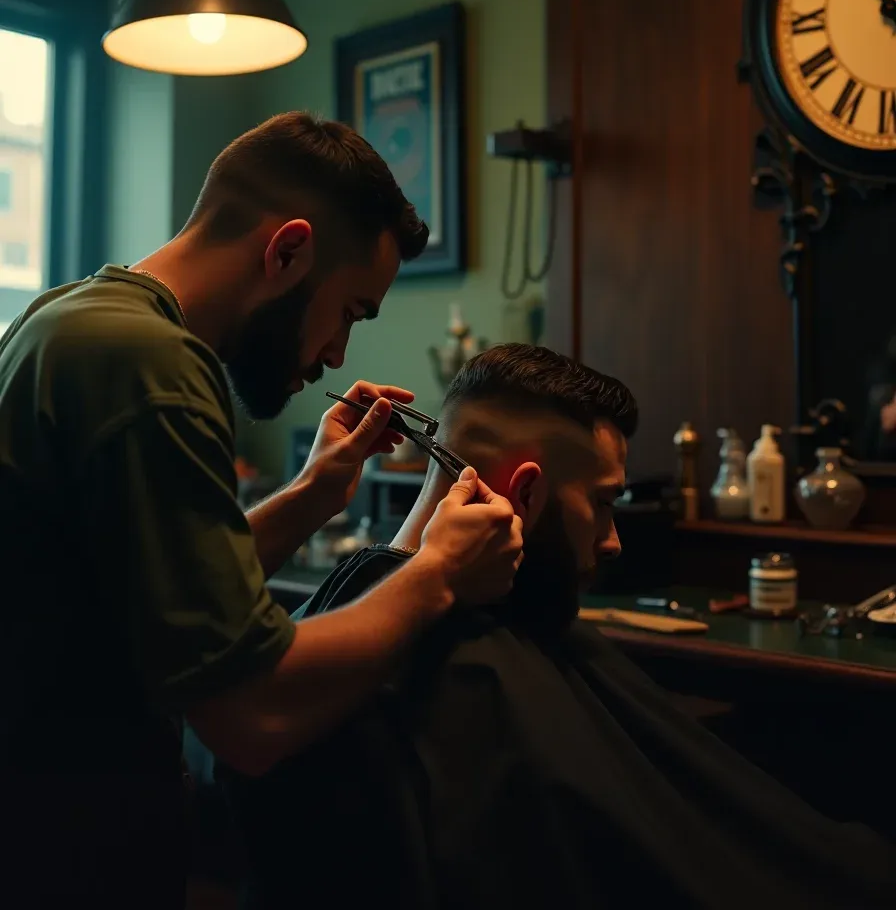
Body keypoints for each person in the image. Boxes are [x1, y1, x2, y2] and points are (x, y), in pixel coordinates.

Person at [0, 113, 523, 909]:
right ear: (288, 251)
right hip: (64, 847)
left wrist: (316, 493)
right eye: (350, 310)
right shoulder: (154, 366)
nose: (339, 355)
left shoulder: (72, 317)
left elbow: (165, 594)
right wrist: (439, 573)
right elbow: (253, 715)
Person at [223, 344, 896, 910]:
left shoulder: (346, 627)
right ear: (525, 493)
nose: (613, 542)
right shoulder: (463, 671)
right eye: (602, 505)